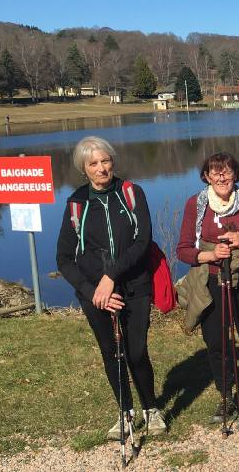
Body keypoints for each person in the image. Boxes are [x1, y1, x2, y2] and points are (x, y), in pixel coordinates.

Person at [55, 136, 166, 439]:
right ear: (84, 168)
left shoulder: (131, 193)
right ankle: (125, 413)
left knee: (136, 352)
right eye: (93, 163)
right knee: (111, 353)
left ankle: (150, 408)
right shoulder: (76, 203)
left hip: (134, 286)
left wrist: (111, 276)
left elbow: (142, 242)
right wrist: (92, 290)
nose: (101, 168)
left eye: (105, 161)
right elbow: (64, 258)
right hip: (95, 294)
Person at [176, 152, 239, 423]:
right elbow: (183, 250)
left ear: (236, 174)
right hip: (210, 280)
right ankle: (226, 395)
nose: (221, 177)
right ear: (206, 176)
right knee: (217, 341)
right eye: (215, 172)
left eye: (227, 171)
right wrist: (209, 254)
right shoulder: (195, 204)